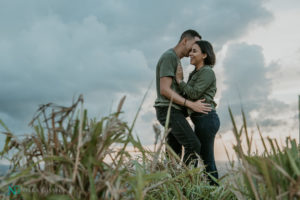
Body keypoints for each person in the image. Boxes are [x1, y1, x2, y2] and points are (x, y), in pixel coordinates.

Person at [154, 30, 212, 166]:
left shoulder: (176, 60)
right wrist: (190, 104)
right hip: (168, 110)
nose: (194, 49)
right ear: (185, 41)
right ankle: (186, 183)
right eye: (194, 44)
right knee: (193, 145)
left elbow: (174, 89)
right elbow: (164, 89)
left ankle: (173, 184)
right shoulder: (170, 57)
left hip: (173, 110)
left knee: (174, 153)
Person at [175, 40, 220, 185]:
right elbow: (188, 96)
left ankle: (215, 191)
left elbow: (193, 94)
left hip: (206, 119)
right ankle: (191, 185)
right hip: (201, 119)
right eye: (190, 51)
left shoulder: (207, 72)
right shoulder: (196, 73)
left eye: (194, 51)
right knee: (197, 154)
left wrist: (179, 81)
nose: (190, 54)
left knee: (207, 160)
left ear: (205, 55)